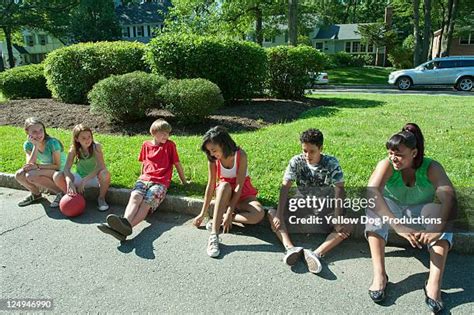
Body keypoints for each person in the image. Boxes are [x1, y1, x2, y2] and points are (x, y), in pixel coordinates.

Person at [365, 123, 456, 314]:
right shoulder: (387, 165)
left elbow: (450, 199)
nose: (393, 158)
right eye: (390, 153)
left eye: (399, 154)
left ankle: (433, 285)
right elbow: (372, 192)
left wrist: (438, 229)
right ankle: (380, 276)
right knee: (373, 210)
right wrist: (398, 226)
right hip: (393, 211)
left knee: (441, 214)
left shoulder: (431, 167)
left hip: (419, 211)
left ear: (414, 153)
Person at [267, 128, 350, 273]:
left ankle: (315, 254)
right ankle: (290, 248)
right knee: (271, 213)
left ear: (321, 148)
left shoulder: (331, 163)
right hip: (302, 202)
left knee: (348, 225)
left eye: (312, 151)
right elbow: (285, 187)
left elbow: (339, 189)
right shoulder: (296, 161)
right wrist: (279, 215)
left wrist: (338, 218)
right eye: (304, 151)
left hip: (324, 205)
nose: (307, 155)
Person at [97, 119, 187, 241]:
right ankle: (123, 224)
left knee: (146, 204)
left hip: (160, 182)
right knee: (135, 197)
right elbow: (144, 163)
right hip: (144, 179)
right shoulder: (146, 145)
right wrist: (141, 177)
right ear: (154, 133)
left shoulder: (170, 145)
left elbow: (177, 164)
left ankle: (124, 228)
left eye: (168, 133)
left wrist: (184, 181)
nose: (166, 136)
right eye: (163, 133)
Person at [192, 126, 264, 258]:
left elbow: (239, 185)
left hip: (242, 192)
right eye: (209, 151)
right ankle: (214, 235)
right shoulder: (213, 160)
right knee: (224, 185)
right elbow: (211, 185)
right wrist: (202, 213)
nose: (212, 154)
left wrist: (230, 212)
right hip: (225, 192)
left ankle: (220, 219)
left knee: (259, 214)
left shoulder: (240, 155)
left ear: (223, 144)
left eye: (214, 150)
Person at [53, 124, 111, 211]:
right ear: (77, 139)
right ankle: (69, 195)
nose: (87, 140)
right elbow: (66, 168)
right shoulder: (74, 149)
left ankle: (101, 198)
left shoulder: (96, 146)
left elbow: (101, 166)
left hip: (94, 178)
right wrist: (69, 182)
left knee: (105, 173)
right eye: (83, 138)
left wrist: (86, 179)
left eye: (89, 137)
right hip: (79, 177)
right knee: (57, 175)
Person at [15, 117, 67, 208]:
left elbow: (57, 166)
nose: (39, 134)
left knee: (31, 175)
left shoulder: (52, 143)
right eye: (34, 132)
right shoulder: (28, 145)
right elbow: (30, 165)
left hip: (61, 171)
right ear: (27, 133)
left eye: (40, 130)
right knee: (19, 174)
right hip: (47, 169)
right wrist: (35, 145)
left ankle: (61, 192)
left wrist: (37, 166)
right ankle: (36, 195)